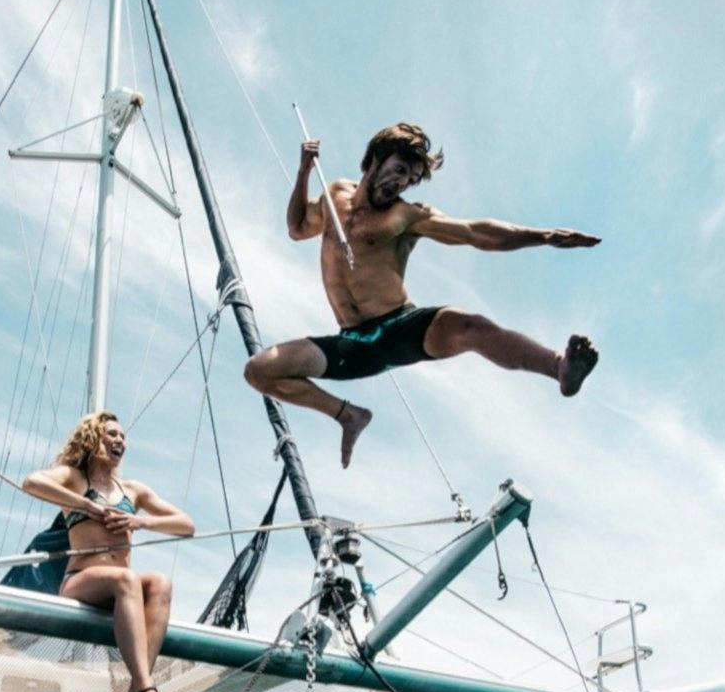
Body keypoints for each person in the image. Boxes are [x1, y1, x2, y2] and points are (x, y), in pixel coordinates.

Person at [243, 123, 602, 467]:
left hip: (400, 327)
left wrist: (541, 236)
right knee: (260, 371)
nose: (401, 182)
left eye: (410, 180)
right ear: (373, 159)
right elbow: (297, 228)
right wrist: (304, 171)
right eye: (398, 170)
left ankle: (559, 368)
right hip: (352, 344)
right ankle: (349, 415)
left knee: (469, 326)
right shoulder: (335, 193)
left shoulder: (407, 216)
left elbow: (474, 232)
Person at [19, 412, 196, 692]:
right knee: (128, 579)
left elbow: (186, 525)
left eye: (123, 437)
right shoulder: (74, 478)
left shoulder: (133, 490)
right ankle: (146, 689)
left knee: (159, 582)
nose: (120, 441)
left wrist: (140, 522)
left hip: (120, 590)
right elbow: (32, 482)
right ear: (92, 439)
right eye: (111, 434)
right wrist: (88, 507)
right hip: (80, 581)